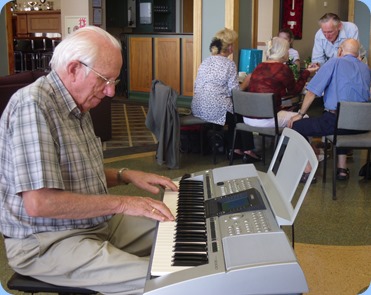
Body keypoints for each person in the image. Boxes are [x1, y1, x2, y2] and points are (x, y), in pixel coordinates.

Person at [0, 26, 178, 295]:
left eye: (114, 82)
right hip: (47, 241)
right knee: (162, 282)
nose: (109, 91)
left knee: (181, 229)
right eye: (104, 79)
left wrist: (125, 175)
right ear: (73, 69)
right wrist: (124, 202)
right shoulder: (33, 105)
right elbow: (40, 203)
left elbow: (74, 172)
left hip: (93, 222)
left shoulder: (77, 104)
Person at [288, 38, 371, 183]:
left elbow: (312, 92)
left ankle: (307, 171)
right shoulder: (366, 69)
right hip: (361, 126)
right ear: (358, 54)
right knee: (343, 122)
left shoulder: (334, 62)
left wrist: (300, 114)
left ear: (340, 51)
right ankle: (342, 170)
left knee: (296, 126)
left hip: (336, 122)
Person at [191, 28, 260, 162]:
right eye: (233, 44)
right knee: (240, 113)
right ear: (228, 47)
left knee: (235, 114)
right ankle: (244, 150)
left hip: (198, 106)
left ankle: (236, 149)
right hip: (215, 109)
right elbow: (234, 92)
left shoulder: (206, 61)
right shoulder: (229, 64)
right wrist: (246, 82)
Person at [244, 37, 318, 128]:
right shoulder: (282, 69)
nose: (288, 52)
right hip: (267, 118)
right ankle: (291, 142)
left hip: (247, 116)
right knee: (304, 118)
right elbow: (295, 90)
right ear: (282, 52)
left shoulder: (259, 66)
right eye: (287, 50)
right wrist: (307, 72)